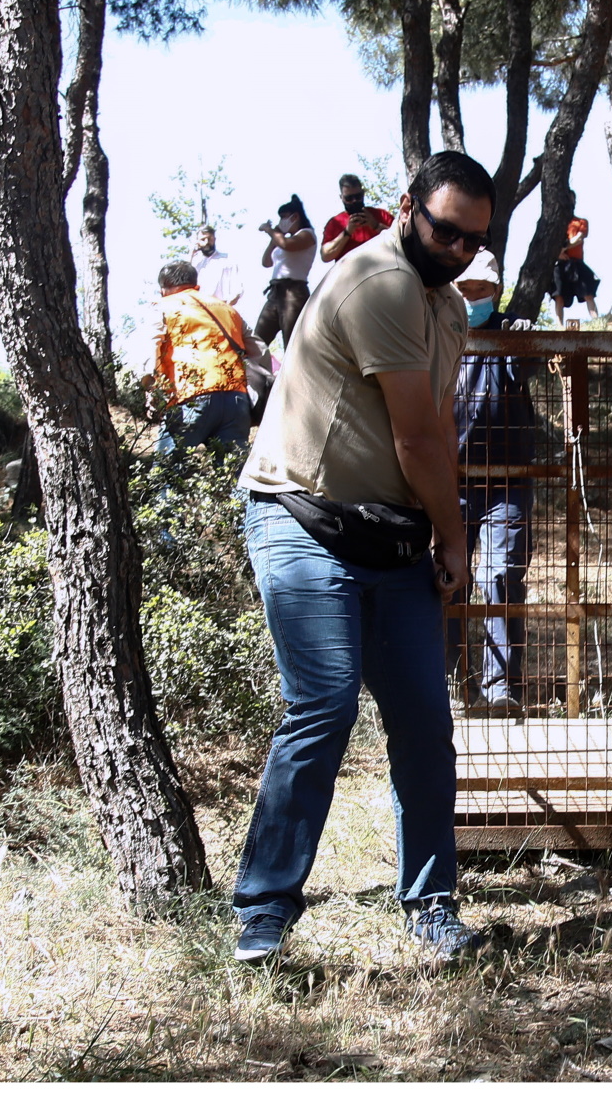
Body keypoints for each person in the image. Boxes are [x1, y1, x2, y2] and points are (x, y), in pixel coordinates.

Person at [234, 150, 497, 964]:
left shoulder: (446, 308)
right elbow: (417, 436)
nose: (456, 249)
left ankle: (431, 906)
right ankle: (263, 911)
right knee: (324, 704)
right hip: (303, 518)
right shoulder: (376, 279)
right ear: (405, 205)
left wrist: (437, 534)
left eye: (472, 241)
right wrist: (457, 539)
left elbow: (434, 433)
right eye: (445, 229)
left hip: (390, 539)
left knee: (424, 719)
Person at [449, 248, 537, 714]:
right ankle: (448, 682)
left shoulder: (509, 334)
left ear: (495, 291)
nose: (470, 298)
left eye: (479, 290)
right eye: (463, 290)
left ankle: (501, 686)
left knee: (501, 576)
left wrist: (521, 343)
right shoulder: (438, 333)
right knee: (446, 578)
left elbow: (526, 366)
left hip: (508, 480)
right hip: (450, 480)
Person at [145, 260, 252, 459]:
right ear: (195, 283)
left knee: (168, 476)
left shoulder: (162, 306)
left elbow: (151, 346)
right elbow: (257, 349)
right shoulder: (226, 309)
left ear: (163, 288)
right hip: (236, 398)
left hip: (191, 395)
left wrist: (152, 389)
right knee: (234, 477)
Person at [255, 194, 317, 348]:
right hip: (275, 292)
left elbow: (287, 245)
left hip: (293, 292)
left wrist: (269, 230)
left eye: (284, 217)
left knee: (292, 344)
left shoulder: (307, 234)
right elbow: (266, 261)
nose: (281, 221)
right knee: (257, 342)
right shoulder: (281, 238)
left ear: (295, 217)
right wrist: (274, 237)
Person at [319, 173, 395, 263]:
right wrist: (347, 232)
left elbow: (401, 240)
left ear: (363, 194)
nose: (354, 201)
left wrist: (376, 226)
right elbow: (325, 256)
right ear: (341, 198)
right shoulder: (334, 223)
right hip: (350, 274)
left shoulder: (382, 215)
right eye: (349, 198)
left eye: (358, 197)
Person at [552, 210, 600, 326]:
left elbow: (579, 238)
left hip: (577, 262)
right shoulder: (555, 223)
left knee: (588, 293)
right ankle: (559, 327)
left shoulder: (581, 222)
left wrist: (563, 248)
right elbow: (549, 243)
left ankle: (597, 323)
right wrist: (557, 254)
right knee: (558, 295)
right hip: (560, 264)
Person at [190, 225, 247, 320]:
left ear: (215, 239)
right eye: (203, 239)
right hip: (198, 313)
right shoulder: (195, 262)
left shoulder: (226, 259)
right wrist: (190, 255)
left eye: (210, 239)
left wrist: (225, 307)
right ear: (198, 242)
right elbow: (183, 282)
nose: (207, 242)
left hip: (221, 311)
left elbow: (238, 289)